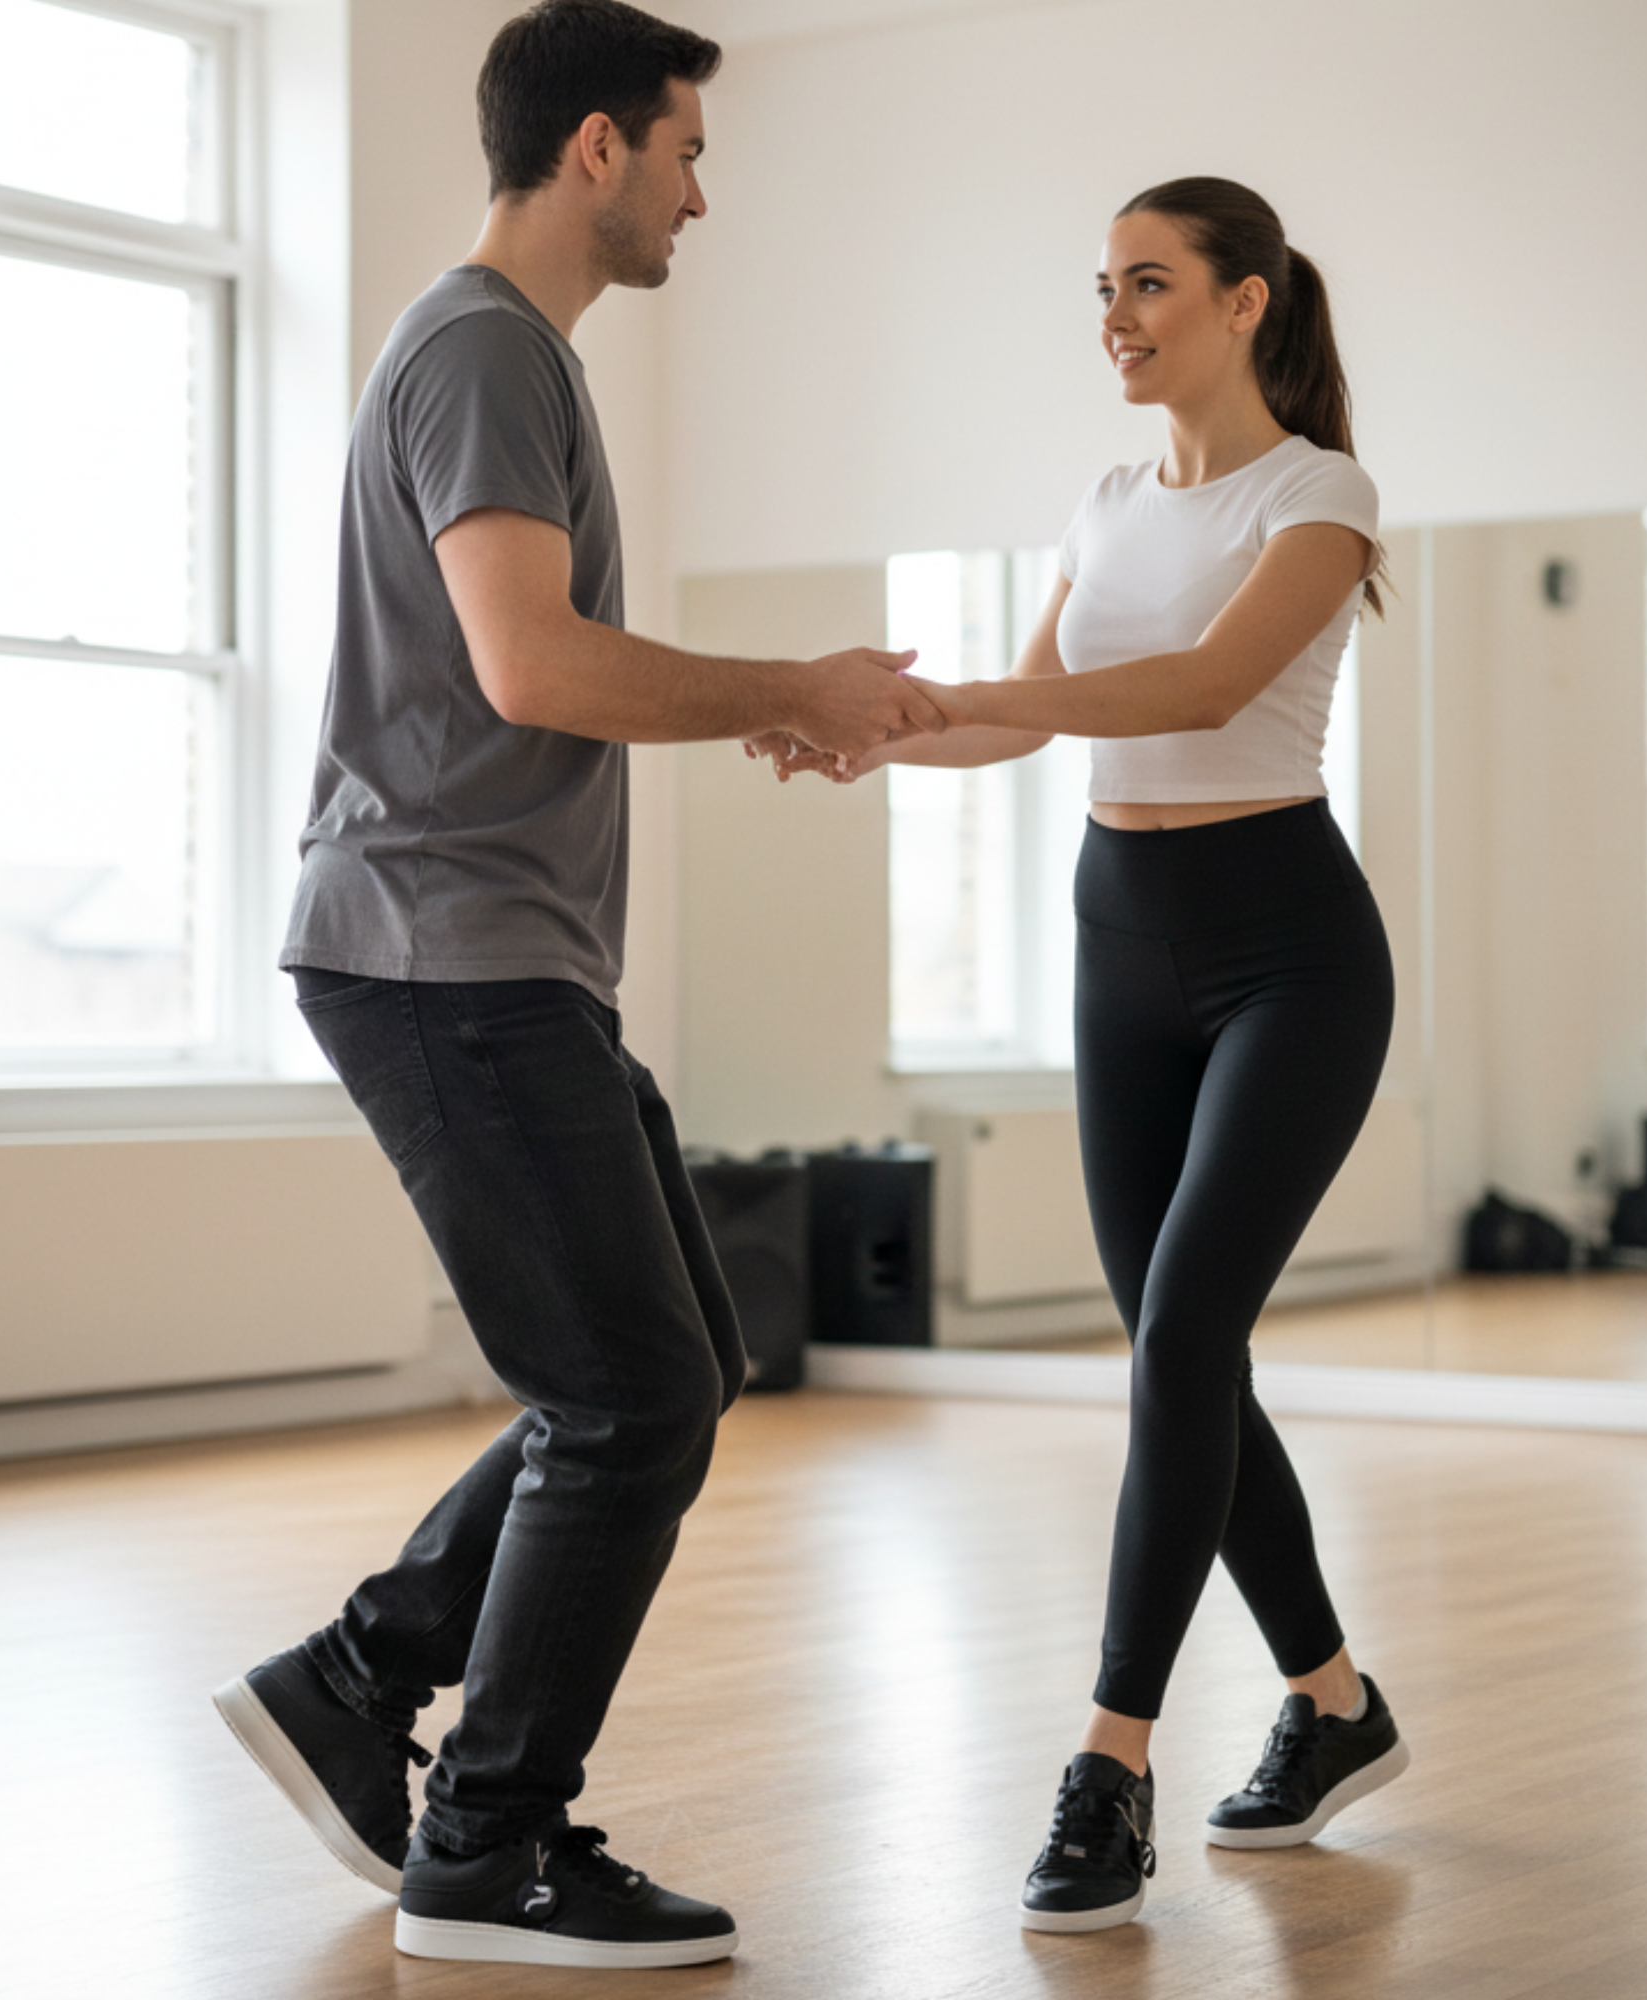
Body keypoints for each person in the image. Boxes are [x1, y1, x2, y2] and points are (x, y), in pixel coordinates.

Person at [212, 0, 942, 1972]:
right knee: (624, 1394)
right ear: (598, 145)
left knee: (672, 1363)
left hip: (496, 951)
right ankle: (486, 1845)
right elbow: (530, 661)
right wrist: (791, 687)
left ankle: (359, 1684)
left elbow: (530, 670)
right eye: (688, 152)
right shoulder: (480, 349)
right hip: (441, 950)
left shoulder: (507, 354)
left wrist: (762, 703)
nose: (703, 196)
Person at [764, 175, 1409, 1933]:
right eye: (1103, 288)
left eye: (1149, 283)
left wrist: (965, 694)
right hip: (1119, 938)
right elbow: (1029, 720)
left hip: (1290, 952)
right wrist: (867, 733)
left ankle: (1109, 1762)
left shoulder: (1319, 496)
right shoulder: (1108, 502)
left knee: (1185, 1334)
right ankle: (1336, 1705)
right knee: (1179, 1353)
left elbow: (1200, 690)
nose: (1115, 316)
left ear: (1247, 301)